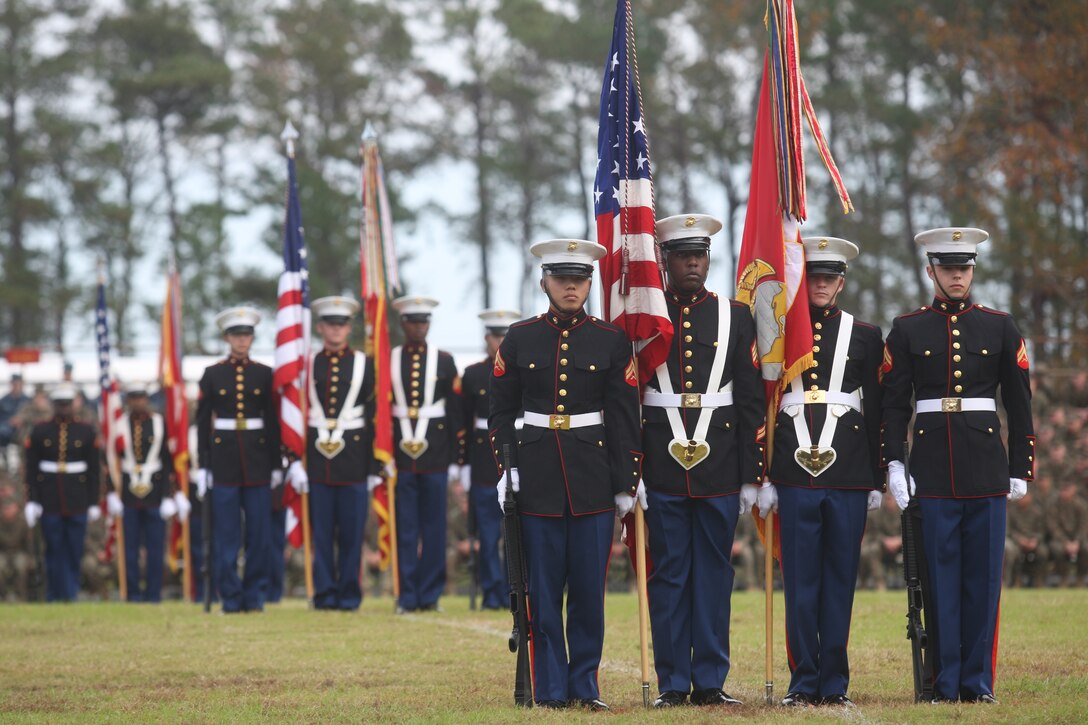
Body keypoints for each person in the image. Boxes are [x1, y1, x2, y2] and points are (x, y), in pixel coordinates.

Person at [882, 227, 1035, 703]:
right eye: (947, 268)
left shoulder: (1000, 325)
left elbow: (1019, 400)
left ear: (972, 270)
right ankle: (944, 682)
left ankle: (977, 682)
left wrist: (1020, 466)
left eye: (963, 267)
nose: (956, 276)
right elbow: (893, 406)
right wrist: (893, 462)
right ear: (931, 271)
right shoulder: (907, 328)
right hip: (931, 470)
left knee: (983, 582)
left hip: (987, 470)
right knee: (940, 580)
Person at [489, 238, 642, 710]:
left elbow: (623, 417)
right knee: (543, 591)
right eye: (561, 279)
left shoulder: (611, 341)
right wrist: (506, 469)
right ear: (544, 283)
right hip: (535, 480)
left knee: (588, 598)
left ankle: (585, 687)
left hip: (593, 481)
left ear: (591, 282)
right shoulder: (519, 338)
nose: (570, 287)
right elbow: (501, 412)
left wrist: (625, 485)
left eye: (579, 279)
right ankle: (551, 690)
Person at [639, 214, 765, 708]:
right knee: (668, 575)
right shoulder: (645, 317)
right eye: (682, 255)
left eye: (700, 255)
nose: (693, 263)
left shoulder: (737, 315)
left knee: (714, 574)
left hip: (719, 464)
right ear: (665, 261)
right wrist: (634, 472)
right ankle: (672, 682)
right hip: (661, 466)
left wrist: (752, 474)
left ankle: (710, 679)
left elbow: (751, 397)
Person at [759, 236, 884, 707]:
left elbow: (878, 410)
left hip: (850, 473)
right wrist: (764, 474)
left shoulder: (867, 335)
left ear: (842, 282)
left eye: (829, 278)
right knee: (799, 579)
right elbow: (764, 403)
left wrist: (876, 474)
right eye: (813, 277)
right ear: (801, 279)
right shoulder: (778, 329)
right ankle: (802, 679)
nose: (821, 285)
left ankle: (834, 681)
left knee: (839, 577)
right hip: (792, 472)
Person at [285, 295, 380, 611]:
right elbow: (296, 413)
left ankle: (349, 595)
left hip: (354, 461)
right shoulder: (307, 364)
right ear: (321, 327)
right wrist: (294, 460)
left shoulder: (366, 364)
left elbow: (373, 417)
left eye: (341, 324)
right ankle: (324, 594)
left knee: (352, 536)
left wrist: (372, 466)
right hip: (316, 461)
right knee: (322, 535)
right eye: (330, 324)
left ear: (349, 327)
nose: (336, 330)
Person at [194, 307, 282, 613]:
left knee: (259, 535)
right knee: (226, 536)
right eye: (236, 335)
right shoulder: (212, 374)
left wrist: (275, 465)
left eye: (246, 335)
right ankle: (230, 597)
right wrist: (202, 466)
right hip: (224, 462)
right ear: (227, 338)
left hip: (257, 461)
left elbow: (272, 422)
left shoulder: (264, 373)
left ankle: (254, 597)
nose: (242, 340)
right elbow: (203, 423)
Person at [389, 296, 463, 613]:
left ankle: (430, 595)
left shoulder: (444, 361)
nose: (418, 327)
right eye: (412, 322)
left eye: (423, 322)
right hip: (399, 457)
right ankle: (406, 596)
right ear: (403, 324)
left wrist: (458, 457)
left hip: (436, 454)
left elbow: (456, 410)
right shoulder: (388, 359)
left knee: (435, 528)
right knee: (405, 528)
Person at [457, 308, 520, 610]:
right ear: (487, 338)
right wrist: (464, 464)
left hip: (521, 456)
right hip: (484, 460)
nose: (500, 341)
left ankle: (516, 590)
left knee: (517, 532)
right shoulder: (472, 374)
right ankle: (492, 593)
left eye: (505, 335)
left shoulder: (526, 368)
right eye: (496, 336)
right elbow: (463, 421)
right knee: (488, 531)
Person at [23, 384, 101, 602]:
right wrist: (32, 499)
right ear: (53, 405)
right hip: (49, 497)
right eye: (60, 404)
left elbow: (94, 469)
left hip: (78, 497)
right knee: (53, 549)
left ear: (74, 405)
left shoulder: (86, 430)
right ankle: (54, 594)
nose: (64, 409)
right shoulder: (40, 430)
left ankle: (71, 592)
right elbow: (31, 467)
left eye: (67, 404)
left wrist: (94, 501)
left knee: (74, 548)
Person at [114, 383, 188, 602]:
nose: (138, 402)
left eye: (141, 398)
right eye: (133, 398)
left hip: (155, 493)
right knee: (130, 549)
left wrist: (168, 495)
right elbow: (111, 460)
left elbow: (167, 461)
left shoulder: (159, 423)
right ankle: (133, 592)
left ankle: (154, 593)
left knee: (156, 548)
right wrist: (111, 493)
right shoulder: (119, 424)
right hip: (127, 494)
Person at [1005, 488, 1048, 587]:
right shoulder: (1012, 511)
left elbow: (1041, 530)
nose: (1023, 499)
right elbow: (1009, 530)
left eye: (1025, 497)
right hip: (1017, 542)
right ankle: (1016, 580)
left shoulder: (1037, 511)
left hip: (1034, 542)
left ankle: (1039, 580)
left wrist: (1035, 540)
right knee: (1013, 552)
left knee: (1043, 552)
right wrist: (1019, 540)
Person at [1047, 482, 1087, 587]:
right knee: (1057, 549)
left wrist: (1077, 541)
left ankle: (1080, 578)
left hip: (1078, 539)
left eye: (1067, 490)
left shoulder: (1081, 505)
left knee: (1086, 548)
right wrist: (1065, 542)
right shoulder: (1054, 505)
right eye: (1063, 490)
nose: (1064, 493)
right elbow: (1053, 527)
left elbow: (1084, 526)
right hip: (1060, 539)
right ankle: (1063, 577)